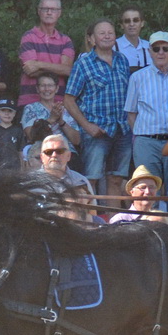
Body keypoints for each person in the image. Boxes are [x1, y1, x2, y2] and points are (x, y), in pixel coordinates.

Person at [61, 18, 130, 195]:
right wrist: (87, 126)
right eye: (102, 33)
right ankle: (90, 220)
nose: (107, 36)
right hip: (96, 131)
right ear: (91, 38)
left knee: (115, 180)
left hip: (121, 130)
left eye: (110, 32)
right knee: (90, 180)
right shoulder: (83, 64)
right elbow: (69, 99)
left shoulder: (122, 60)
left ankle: (114, 221)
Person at [16, 0, 75, 107]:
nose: (49, 12)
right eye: (45, 9)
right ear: (39, 11)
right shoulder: (28, 37)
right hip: (29, 101)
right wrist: (57, 70)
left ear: (59, 13)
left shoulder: (65, 41)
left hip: (57, 103)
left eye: (53, 9)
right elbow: (30, 71)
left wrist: (38, 64)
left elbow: (67, 70)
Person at [21, 74, 80, 147]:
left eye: (50, 85)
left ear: (57, 88)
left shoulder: (65, 109)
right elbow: (31, 136)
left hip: (66, 151)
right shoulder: (30, 108)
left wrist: (61, 121)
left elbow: (76, 140)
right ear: (37, 89)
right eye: (42, 85)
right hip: (42, 150)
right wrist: (51, 119)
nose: (46, 89)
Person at [30, 134, 92, 202]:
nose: (54, 155)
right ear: (42, 158)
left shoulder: (81, 182)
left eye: (59, 151)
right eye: (48, 152)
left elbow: (92, 211)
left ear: (68, 156)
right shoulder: (29, 183)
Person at [115, 7, 152, 72]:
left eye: (136, 20)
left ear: (142, 23)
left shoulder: (150, 47)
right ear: (121, 25)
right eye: (127, 21)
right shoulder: (114, 47)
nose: (131, 24)